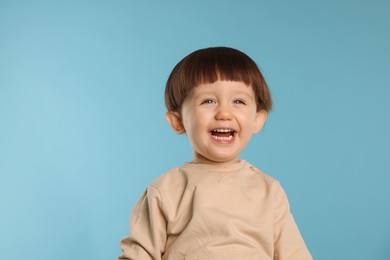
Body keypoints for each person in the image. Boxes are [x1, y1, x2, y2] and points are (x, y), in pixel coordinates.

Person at [119, 47, 312, 260]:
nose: (224, 113)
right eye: (208, 101)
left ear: (257, 120)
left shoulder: (269, 191)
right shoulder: (165, 191)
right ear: (178, 121)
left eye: (238, 101)